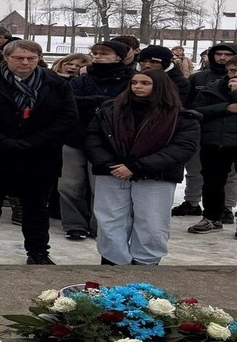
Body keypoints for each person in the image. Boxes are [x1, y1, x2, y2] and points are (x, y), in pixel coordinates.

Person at [0, 40, 76, 265]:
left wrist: (35, 141)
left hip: (39, 155)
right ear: (6, 58)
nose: (25, 62)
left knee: (36, 207)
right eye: (18, 58)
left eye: (31, 58)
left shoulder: (57, 84)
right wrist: (1, 140)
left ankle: (38, 251)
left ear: (39, 59)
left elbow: (68, 117)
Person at [85, 69, 198, 265]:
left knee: (152, 224)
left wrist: (136, 167)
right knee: (110, 221)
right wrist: (110, 165)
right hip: (113, 173)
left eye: (145, 83)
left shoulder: (181, 117)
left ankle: (145, 264)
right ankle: (113, 262)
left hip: (156, 176)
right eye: (134, 82)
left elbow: (181, 149)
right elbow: (94, 138)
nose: (137, 86)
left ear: (159, 86)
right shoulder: (110, 110)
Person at [60, 41, 134, 242]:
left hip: (109, 140)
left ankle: (99, 224)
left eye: (104, 53)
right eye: (95, 53)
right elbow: (71, 102)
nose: (98, 56)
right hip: (76, 137)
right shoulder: (81, 79)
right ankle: (74, 224)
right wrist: (100, 101)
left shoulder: (131, 79)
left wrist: (94, 102)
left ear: (118, 57)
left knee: (100, 186)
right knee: (69, 184)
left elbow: (125, 106)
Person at [174, 43, 237, 219]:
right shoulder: (203, 80)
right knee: (201, 173)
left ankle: (227, 206)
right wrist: (226, 107)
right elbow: (194, 107)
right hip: (207, 136)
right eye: (219, 54)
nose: (222, 57)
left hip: (232, 139)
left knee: (230, 177)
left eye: (227, 54)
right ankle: (196, 205)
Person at [188, 60, 237, 236]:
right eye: (232, 70)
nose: (234, 74)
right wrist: (226, 108)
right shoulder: (213, 87)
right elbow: (197, 110)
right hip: (215, 141)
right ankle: (211, 217)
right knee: (212, 182)